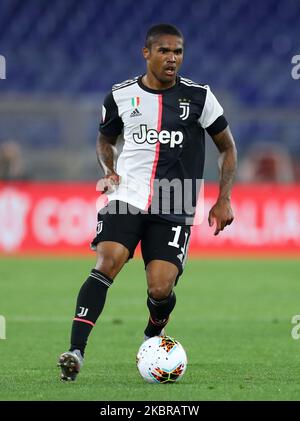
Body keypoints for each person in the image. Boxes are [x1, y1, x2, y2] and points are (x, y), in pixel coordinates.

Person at [58, 23, 237, 381]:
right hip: (127, 195)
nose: (172, 59)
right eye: (164, 51)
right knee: (107, 261)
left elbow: (227, 147)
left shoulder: (200, 97)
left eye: (178, 52)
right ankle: (76, 350)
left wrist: (224, 199)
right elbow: (105, 140)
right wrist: (108, 169)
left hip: (177, 200)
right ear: (147, 53)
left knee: (160, 288)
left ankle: (152, 334)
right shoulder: (120, 95)